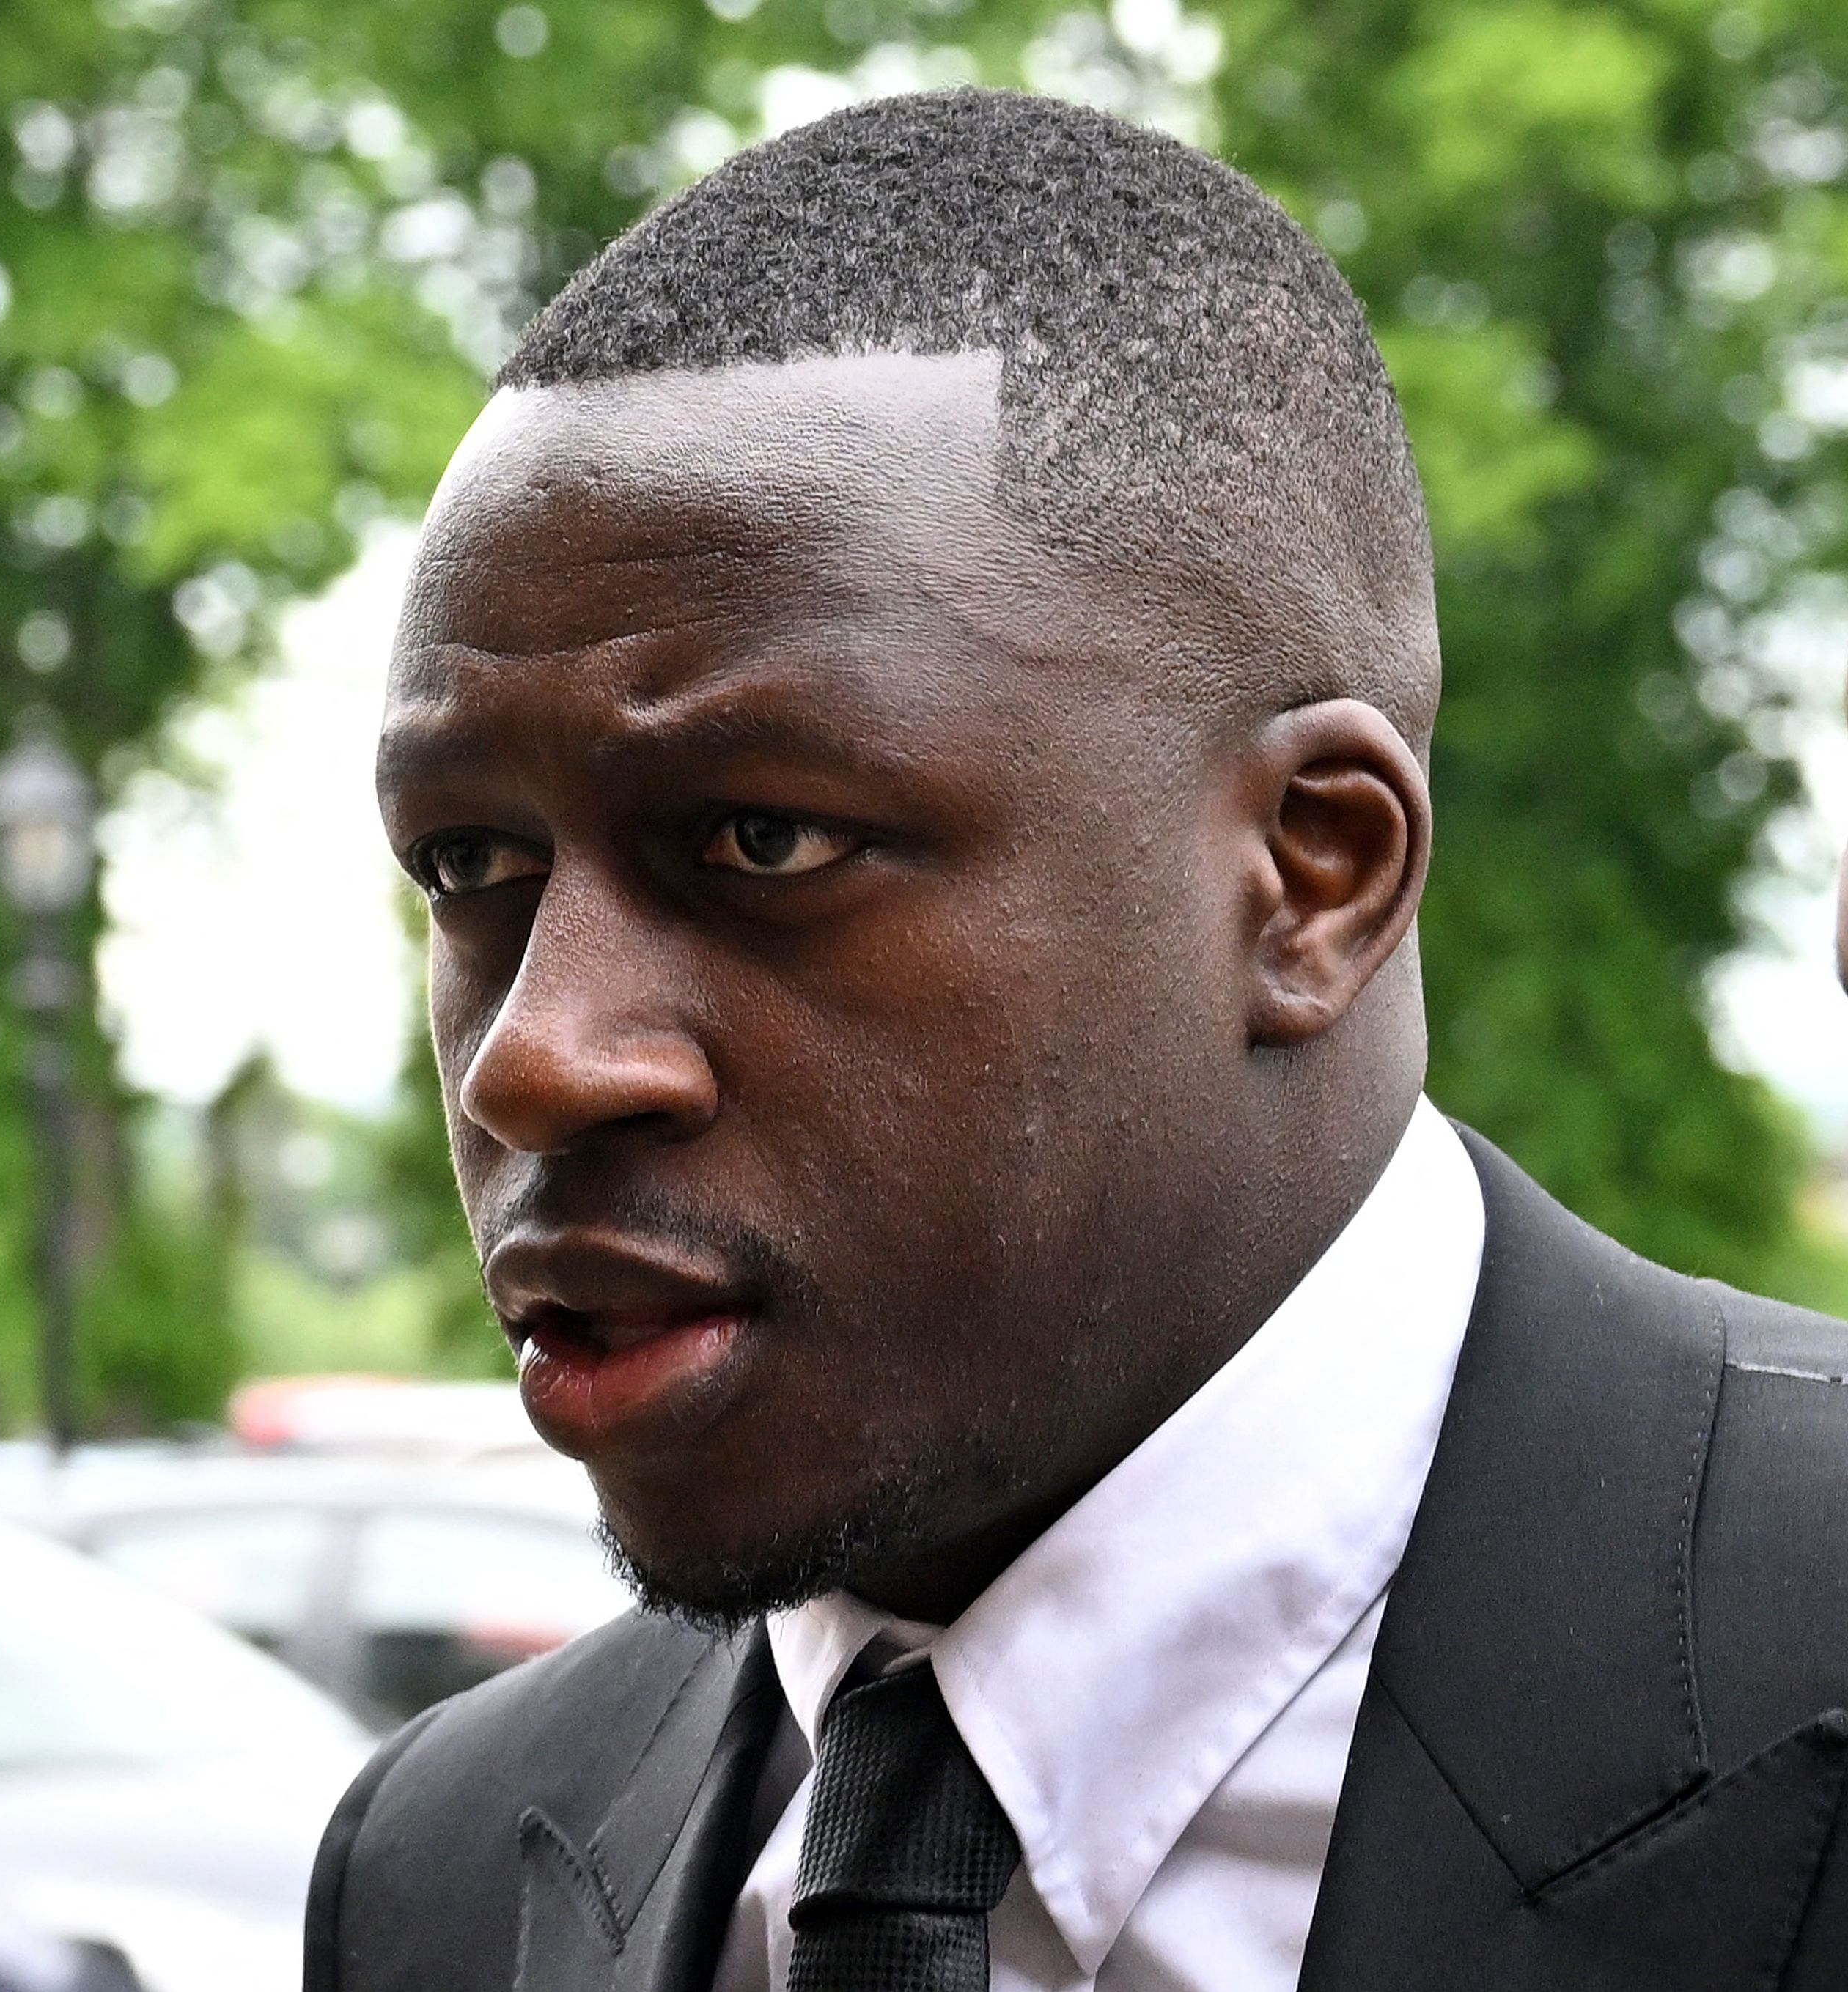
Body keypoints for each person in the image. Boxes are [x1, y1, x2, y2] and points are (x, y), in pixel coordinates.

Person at [312, 87, 1848, 1992]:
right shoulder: (440, 1871)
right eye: (469, 866)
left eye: (763, 839)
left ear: (1313, 879)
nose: (531, 1061)